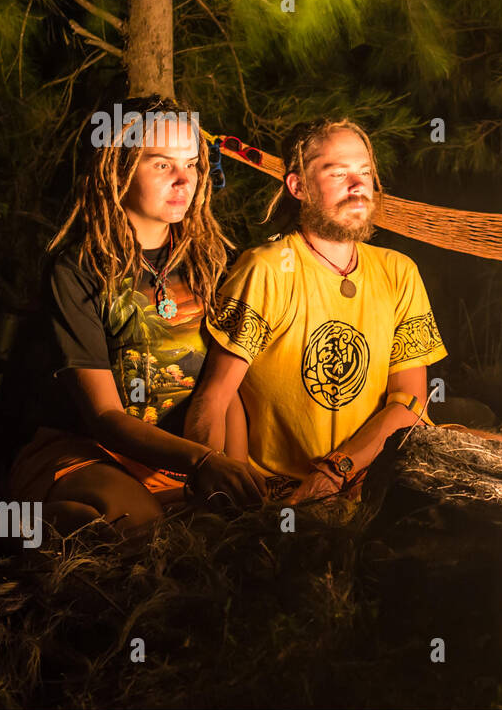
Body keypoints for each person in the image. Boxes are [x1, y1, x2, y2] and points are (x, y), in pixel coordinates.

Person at [4, 96, 266, 537]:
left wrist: (229, 466)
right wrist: (203, 461)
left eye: (192, 164)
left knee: (226, 537)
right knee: (141, 529)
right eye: (162, 165)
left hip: (184, 461)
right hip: (87, 451)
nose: (185, 180)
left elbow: (228, 381)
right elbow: (102, 414)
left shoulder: (213, 261)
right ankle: (12, 532)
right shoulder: (79, 270)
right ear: (117, 170)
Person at [185, 118, 447, 501]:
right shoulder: (266, 270)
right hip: (281, 495)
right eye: (338, 173)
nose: (358, 186)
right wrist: (219, 492)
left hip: (368, 481)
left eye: (365, 172)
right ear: (298, 186)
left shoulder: (398, 271)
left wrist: (339, 469)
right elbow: (216, 397)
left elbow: (409, 403)